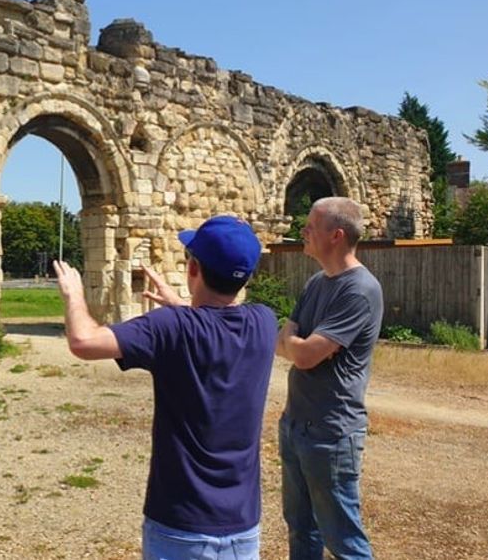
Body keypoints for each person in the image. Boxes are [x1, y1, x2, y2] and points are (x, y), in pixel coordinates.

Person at [53, 215, 277, 560]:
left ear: (193, 269)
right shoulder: (263, 322)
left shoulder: (171, 328)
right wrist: (181, 307)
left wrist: (74, 294)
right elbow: (214, 324)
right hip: (243, 528)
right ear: (246, 276)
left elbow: (83, 341)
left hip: (181, 526)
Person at [276, 197, 382, 559]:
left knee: (344, 541)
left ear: (336, 235)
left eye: (311, 225)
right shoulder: (317, 282)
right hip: (296, 425)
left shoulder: (360, 290)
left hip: (331, 434)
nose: (302, 231)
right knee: (301, 529)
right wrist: (297, 343)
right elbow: (287, 342)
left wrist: (297, 343)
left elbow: (303, 355)